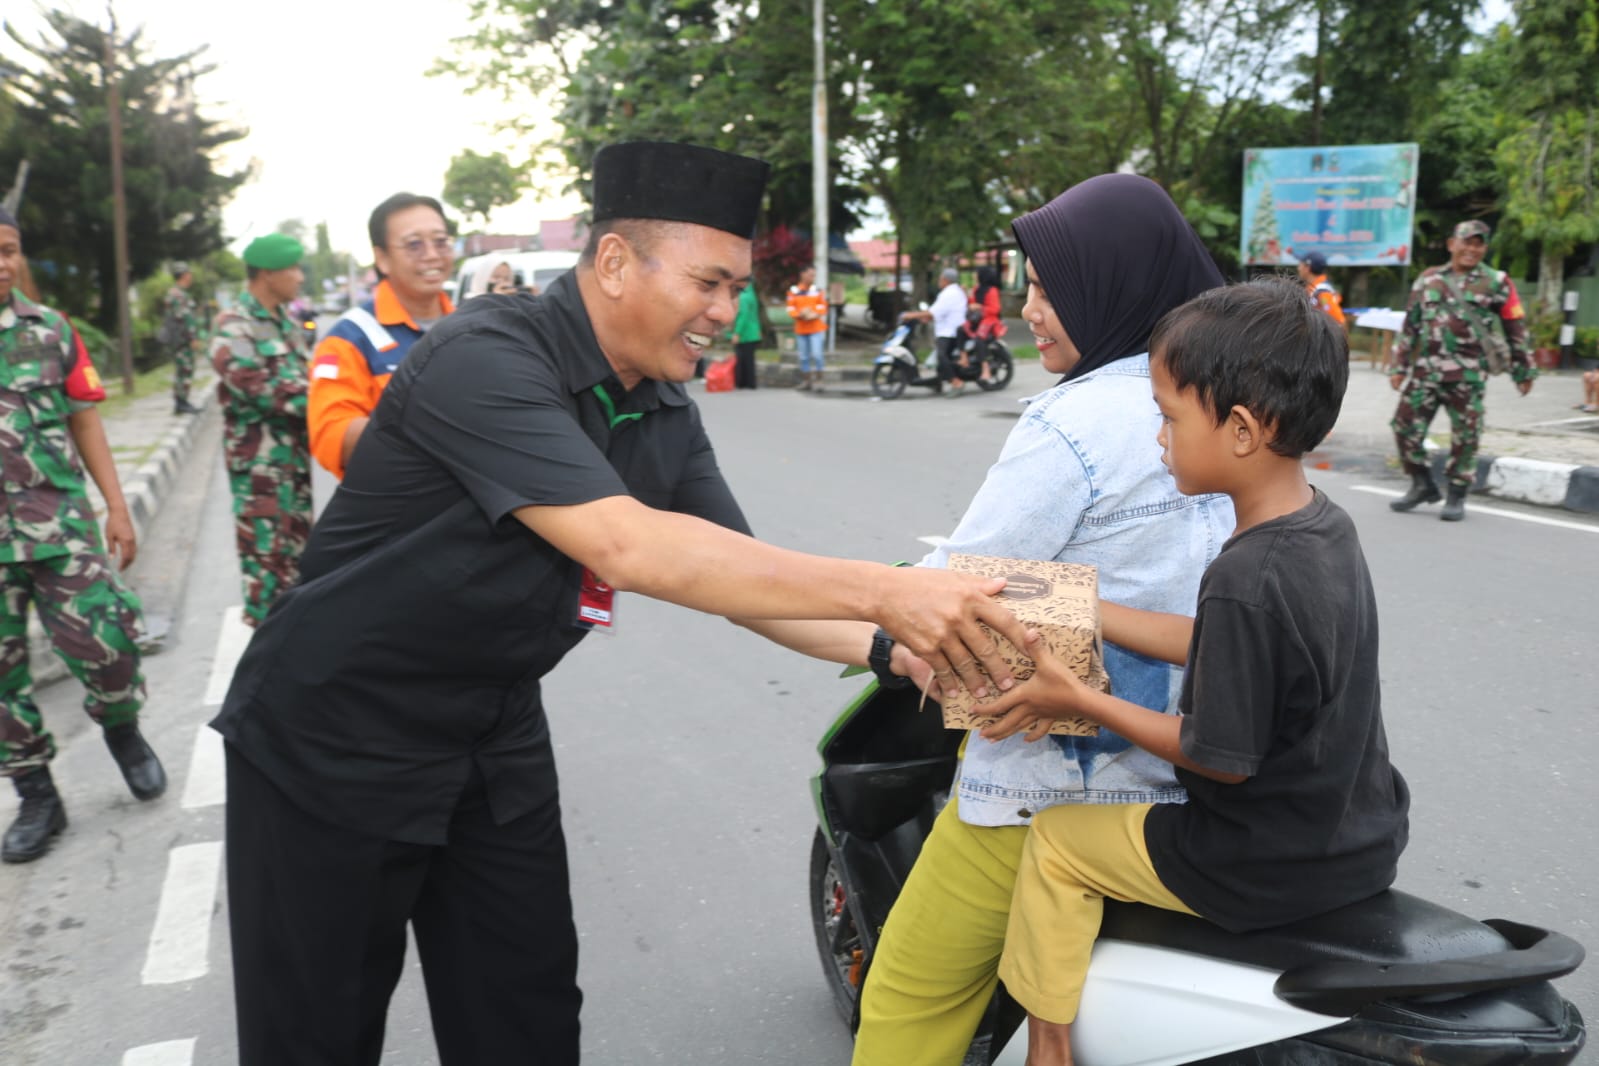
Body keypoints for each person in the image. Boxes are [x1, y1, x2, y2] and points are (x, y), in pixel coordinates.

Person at [211, 141, 1033, 1066]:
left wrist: (899, 651)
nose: (726, 313)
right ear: (612, 261)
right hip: (333, 733)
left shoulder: (664, 407)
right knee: (315, 1032)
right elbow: (628, 547)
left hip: (492, 732)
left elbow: (744, 579)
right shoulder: (482, 358)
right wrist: (892, 588)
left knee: (521, 1016)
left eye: (736, 288)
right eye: (709, 283)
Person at [847, 173, 1234, 1066]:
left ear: (1113, 286)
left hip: (1055, 788)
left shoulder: (1073, 422)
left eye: (1049, 288)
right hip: (1204, 784)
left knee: (907, 994)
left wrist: (895, 622)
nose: (1028, 309)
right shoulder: (1230, 402)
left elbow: (958, 586)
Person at [975, 278, 1410, 1066]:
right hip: (1357, 839)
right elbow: (1216, 642)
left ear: (1240, 430)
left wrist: (1076, 696)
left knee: (1058, 842)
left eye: (1169, 417)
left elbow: (1214, 754)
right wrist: (1083, 605)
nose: (1158, 440)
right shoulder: (1320, 528)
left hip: (1255, 860)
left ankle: (1046, 1045)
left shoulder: (1243, 573)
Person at [0, 206, 167, 865]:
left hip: (59, 525)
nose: (2, 262)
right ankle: (36, 793)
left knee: (109, 644)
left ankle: (123, 730)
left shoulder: (52, 332)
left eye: (10, 249)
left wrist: (116, 507)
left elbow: (86, 422)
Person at [1388, 219, 1536, 522]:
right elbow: (1410, 327)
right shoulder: (1428, 279)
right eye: (1467, 241)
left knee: (1466, 437)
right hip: (1426, 373)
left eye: (1479, 243)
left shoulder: (1497, 282)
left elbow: (1515, 328)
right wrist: (1398, 365)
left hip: (1467, 376)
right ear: (1452, 244)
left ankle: (1457, 494)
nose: (1472, 248)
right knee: (1403, 427)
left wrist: (1524, 371)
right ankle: (1422, 484)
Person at [308, 192, 456, 479]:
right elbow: (331, 436)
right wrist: (434, 429)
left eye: (440, 242)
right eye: (414, 245)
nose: (432, 254)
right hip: (404, 510)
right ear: (382, 258)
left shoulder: (472, 325)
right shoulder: (348, 340)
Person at [210, 233, 313, 629]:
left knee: (299, 565)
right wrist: (328, 404)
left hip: (294, 466)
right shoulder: (233, 327)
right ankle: (265, 668)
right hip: (260, 475)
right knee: (266, 571)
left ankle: (291, 661)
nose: (300, 277)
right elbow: (263, 389)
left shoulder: (285, 322)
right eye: (293, 268)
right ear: (268, 274)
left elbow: (303, 378)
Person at [902, 267, 968, 393]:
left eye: (941, 278)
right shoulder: (956, 291)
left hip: (949, 332)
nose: (939, 280)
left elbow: (933, 312)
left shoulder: (948, 293)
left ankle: (956, 382)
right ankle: (938, 382)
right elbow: (942, 312)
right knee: (941, 358)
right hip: (953, 329)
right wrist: (926, 318)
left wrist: (910, 315)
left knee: (941, 357)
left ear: (946, 279)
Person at [161, 262, 203, 415]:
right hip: (182, 340)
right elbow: (185, 318)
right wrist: (193, 338)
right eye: (189, 274)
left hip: (177, 339)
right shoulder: (179, 295)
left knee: (182, 370)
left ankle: (181, 401)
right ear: (185, 275)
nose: (191, 277)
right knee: (185, 369)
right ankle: (181, 402)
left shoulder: (174, 293)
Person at [786, 264, 828, 389]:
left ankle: (820, 381)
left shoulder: (817, 290)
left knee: (817, 355)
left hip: (815, 328)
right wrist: (799, 314)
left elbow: (823, 306)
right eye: (810, 275)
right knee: (803, 356)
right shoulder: (794, 291)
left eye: (814, 275)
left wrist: (814, 312)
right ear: (802, 274)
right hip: (801, 328)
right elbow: (790, 308)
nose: (812, 277)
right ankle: (806, 382)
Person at [966, 264, 1004, 384]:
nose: (975, 276)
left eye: (976, 274)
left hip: (989, 322)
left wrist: (979, 307)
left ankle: (985, 369)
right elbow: (972, 303)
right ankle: (963, 359)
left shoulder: (992, 290)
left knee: (979, 339)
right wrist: (969, 297)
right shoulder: (977, 289)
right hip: (977, 320)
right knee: (960, 330)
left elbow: (995, 309)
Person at [1297, 250, 1345, 327]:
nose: (1298, 268)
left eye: (1300, 265)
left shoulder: (1323, 292)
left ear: (1307, 268)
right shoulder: (1313, 288)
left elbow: (1338, 321)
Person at [730, 277, 762, 389]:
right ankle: (751, 382)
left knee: (742, 359)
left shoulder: (743, 297)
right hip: (753, 332)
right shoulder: (752, 295)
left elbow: (742, 317)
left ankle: (742, 383)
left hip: (745, 333)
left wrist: (737, 333)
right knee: (749, 359)